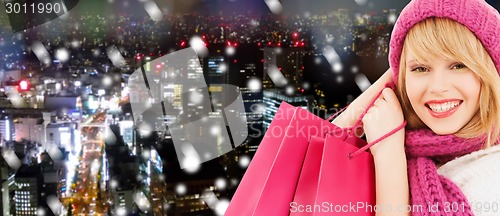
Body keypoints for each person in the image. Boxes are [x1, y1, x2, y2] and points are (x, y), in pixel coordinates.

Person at [332, 0, 500, 215]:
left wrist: (388, 155)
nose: (438, 87)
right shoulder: (403, 144)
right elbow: (306, 160)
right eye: (420, 68)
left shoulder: (491, 175)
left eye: (458, 65)